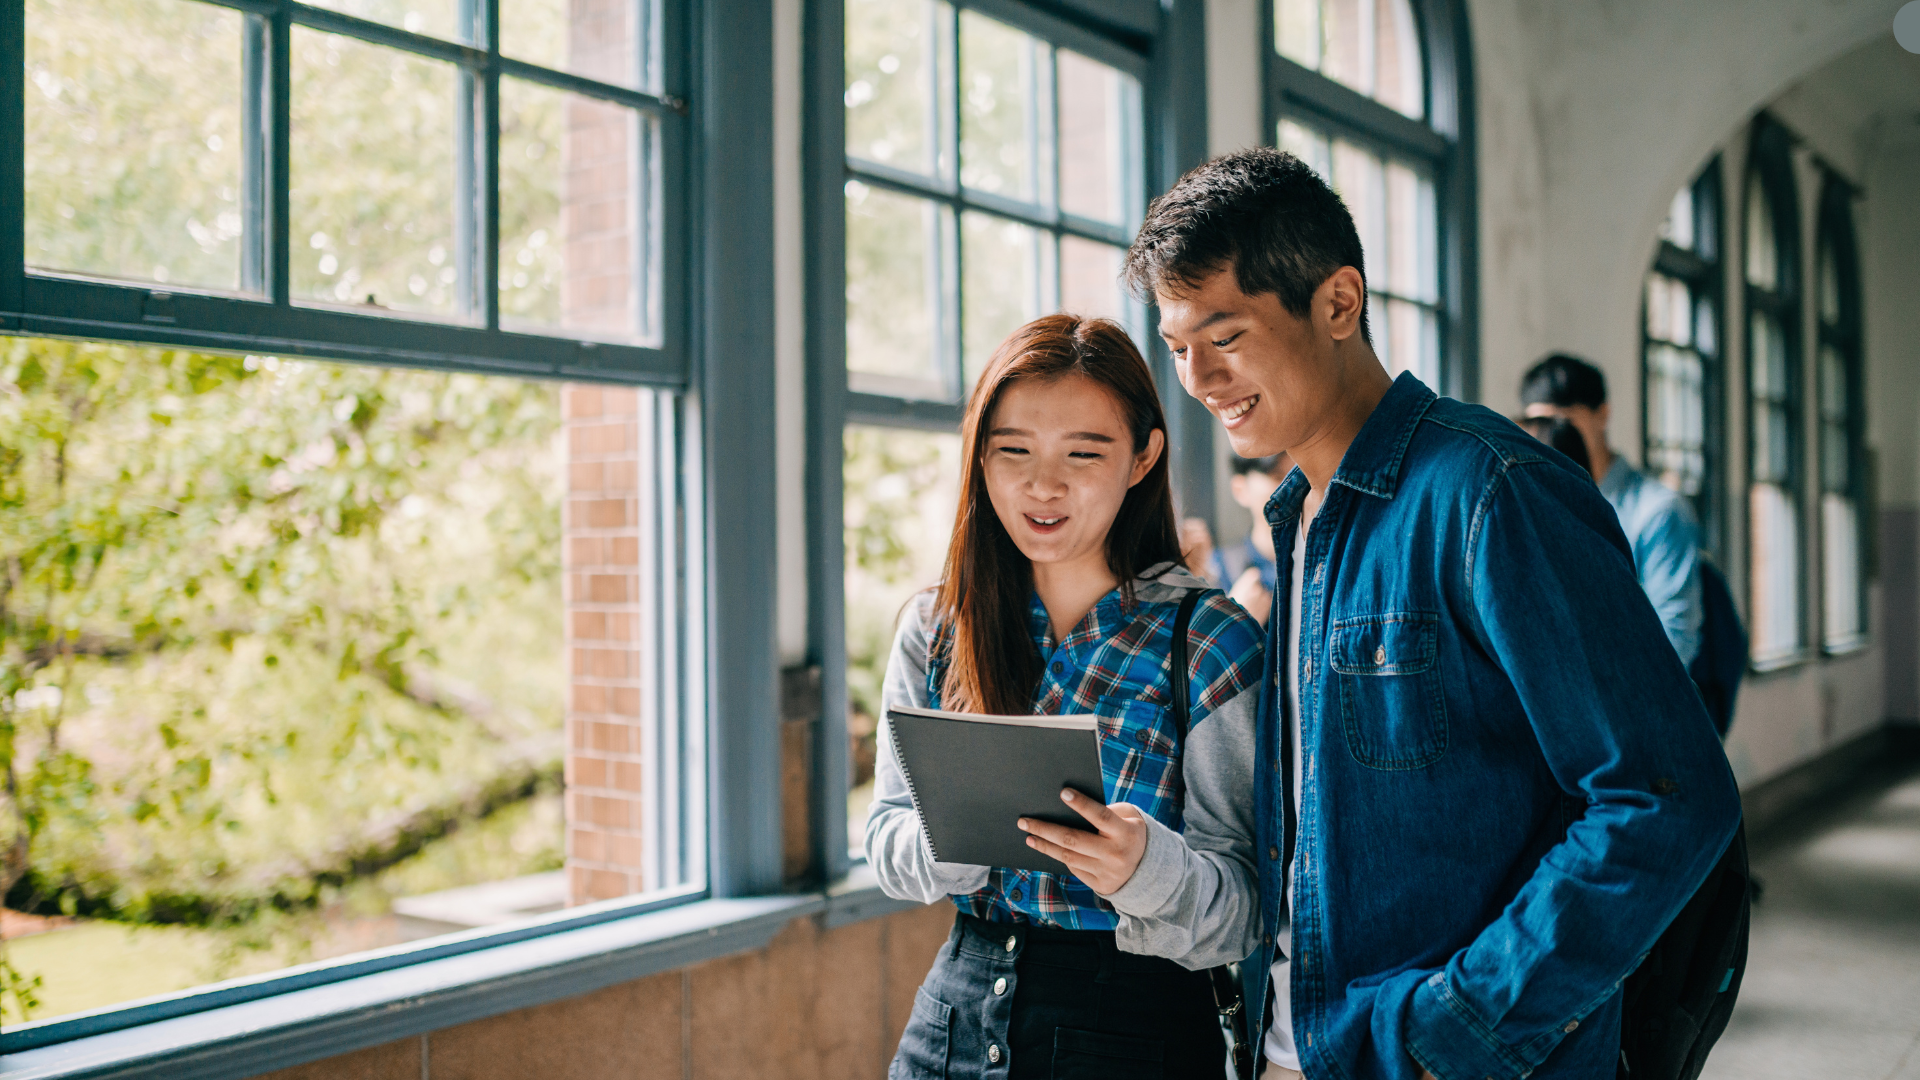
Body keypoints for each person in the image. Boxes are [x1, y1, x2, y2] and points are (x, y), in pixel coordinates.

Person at [1125, 148, 1741, 1080]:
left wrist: (1458, 1027)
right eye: (1177, 348)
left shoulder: (1492, 493)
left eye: (1226, 336)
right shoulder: (1298, 519)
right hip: (1294, 1051)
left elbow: (1664, 796)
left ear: (1338, 303)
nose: (1199, 379)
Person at [865, 314, 1266, 1078]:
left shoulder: (1208, 640)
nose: (1042, 485)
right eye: (1013, 451)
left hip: (1136, 1031)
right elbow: (886, 840)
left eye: (1084, 453)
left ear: (1144, 457)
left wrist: (1145, 867)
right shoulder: (937, 625)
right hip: (950, 1021)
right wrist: (949, 840)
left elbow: (1246, 910)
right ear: (980, 457)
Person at [1520, 354, 1704, 667]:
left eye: (1564, 423)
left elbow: (1674, 646)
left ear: (1602, 415)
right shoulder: (1533, 510)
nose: (1548, 439)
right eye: (1538, 425)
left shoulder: (1658, 514)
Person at [1212, 454, 1292, 625]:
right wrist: (1235, 621)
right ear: (1240, 489)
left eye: (1297, 475)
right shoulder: (1217, 569)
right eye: (1277, 477)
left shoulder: (1326, 564)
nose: (1292, 487)